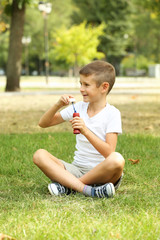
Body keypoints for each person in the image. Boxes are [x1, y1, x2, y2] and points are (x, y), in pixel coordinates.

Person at [33, 60, 125, 198]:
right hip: (77, 169)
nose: (81, 89)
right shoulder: (79, 107)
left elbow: (109, 152)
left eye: (86, 85)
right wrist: (58, 105)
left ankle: (70, 186)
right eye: (80, 84)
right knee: (39, 155)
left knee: (117, 159)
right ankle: (89, 190)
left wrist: (85, 130)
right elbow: (43, 123)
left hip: (103, 174)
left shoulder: (112, 114)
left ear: (104, 87)